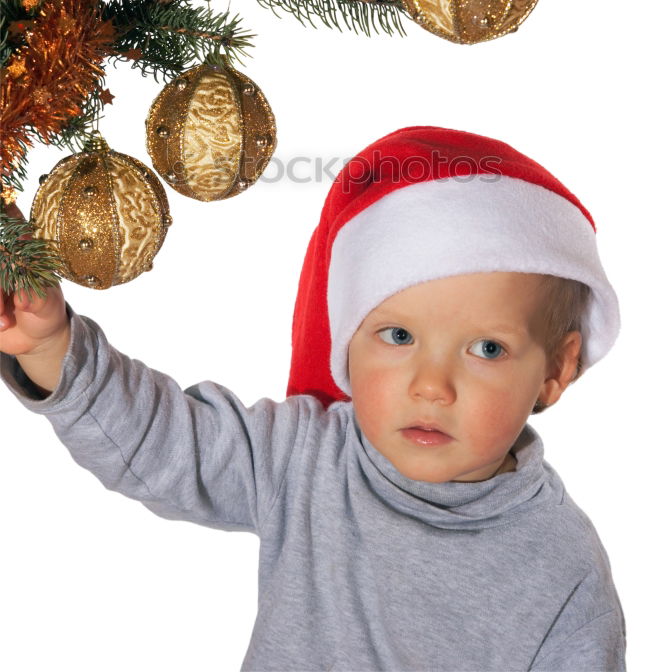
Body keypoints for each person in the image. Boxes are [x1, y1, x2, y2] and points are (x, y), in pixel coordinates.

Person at [0, 125, 627, 671]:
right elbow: (165, 443)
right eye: (399, 336)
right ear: (347, 340)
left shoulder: (564, 569)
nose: (431, 386)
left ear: (557, 369)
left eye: (487, 349)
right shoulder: (306, 457)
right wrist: (52, 347)